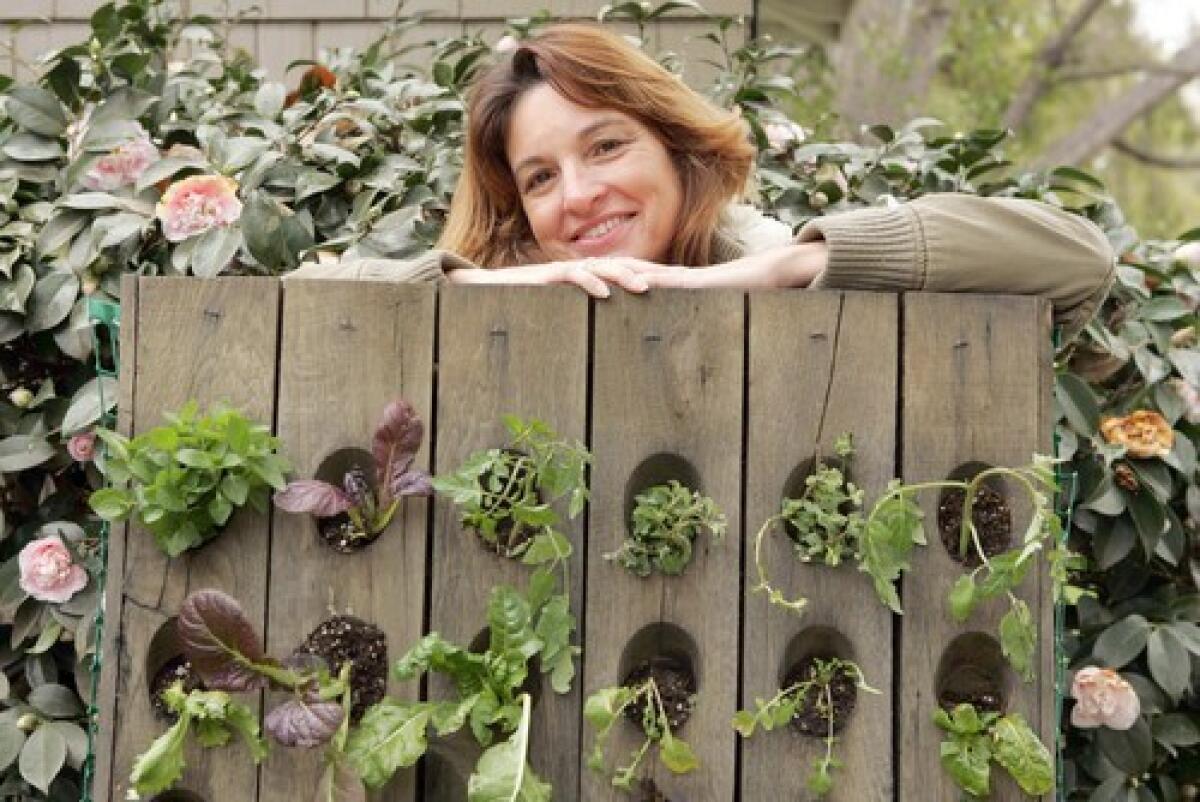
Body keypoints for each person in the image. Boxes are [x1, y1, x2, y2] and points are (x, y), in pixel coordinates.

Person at [290, 23, 1114, 341]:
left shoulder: (774, 263)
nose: (575, 196)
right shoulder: (506, 296)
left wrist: (783, 267)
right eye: (540, 177)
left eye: (606, 146)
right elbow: (290, 304)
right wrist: (489, 287)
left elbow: (1079, 260)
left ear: (678, 148)